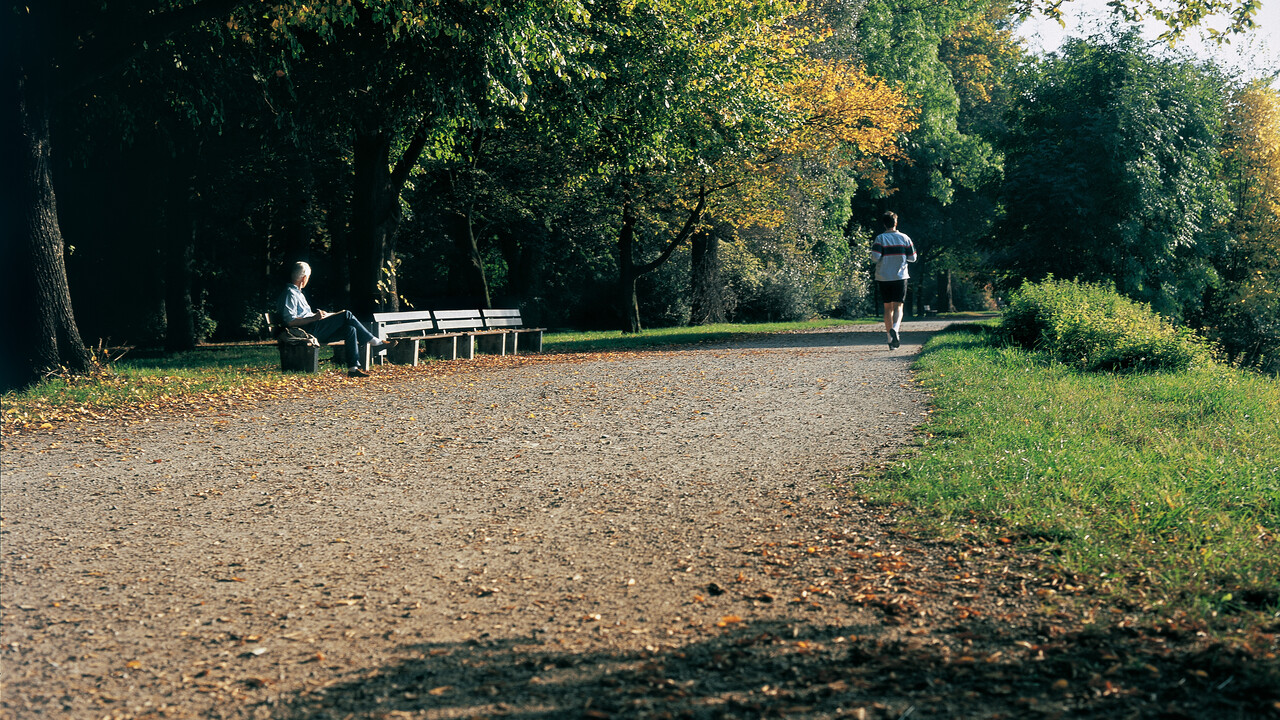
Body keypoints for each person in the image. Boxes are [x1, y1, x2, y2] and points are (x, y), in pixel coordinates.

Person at [278, 261, 392, 377]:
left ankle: (353, 369)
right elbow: (290, 322)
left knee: (350, 329)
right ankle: (375, 342)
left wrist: (321, 316)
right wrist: (314, 318)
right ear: (304, 278)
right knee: (346, 314)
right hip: (305, 332)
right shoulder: (290, 293)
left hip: (313, 327)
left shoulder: (298, 293)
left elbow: (304, 315)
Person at [869, 211, 917, 350]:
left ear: (884, 224)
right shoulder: (905, 238)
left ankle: (890, 340)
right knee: (898, 307)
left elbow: (875, 257)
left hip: (883, 277)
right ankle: (895, 329)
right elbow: (913, 258)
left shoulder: (880, 239)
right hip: (900, 276)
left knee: (887, 308)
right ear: (896, 223)